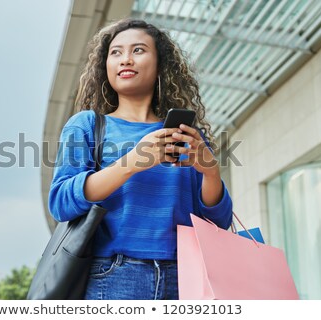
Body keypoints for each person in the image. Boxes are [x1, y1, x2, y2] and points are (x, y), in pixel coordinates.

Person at [48, 18, 233, 300]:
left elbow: (218, 222)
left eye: (138, 50)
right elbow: (61, 203)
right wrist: (133, 161)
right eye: (116, 52)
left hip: (185, 279)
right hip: (113, 276)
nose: (126, 60)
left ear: (160, 64)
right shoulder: (86, 125)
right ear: (105, 66)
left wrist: (210, 173)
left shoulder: (184, 134)